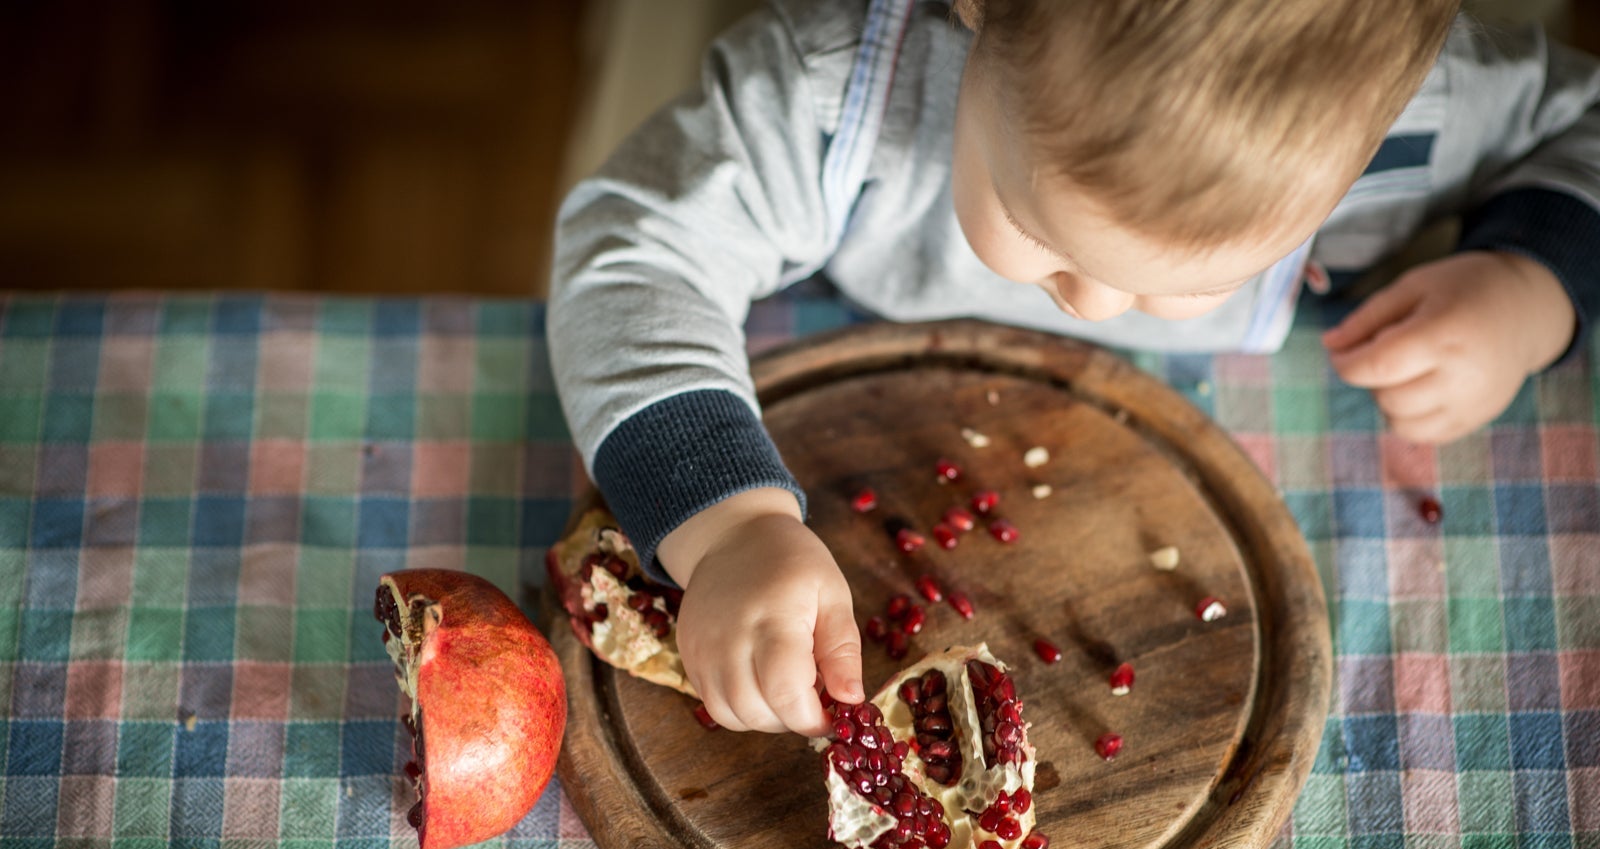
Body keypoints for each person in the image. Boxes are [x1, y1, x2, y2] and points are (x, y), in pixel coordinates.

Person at [548, 0, 1600, 736]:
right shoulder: (831, 92)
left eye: (1184, 278)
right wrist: (724, 524)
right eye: (1033, 225)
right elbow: (634, 249)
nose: (1089, 300)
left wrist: (1530, 281)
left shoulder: (1432, 111)